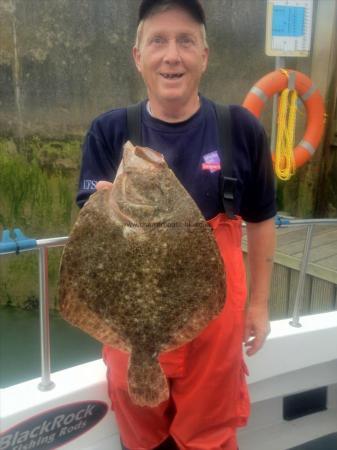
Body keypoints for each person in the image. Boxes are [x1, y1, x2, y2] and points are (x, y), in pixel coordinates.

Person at [76, 0, 276, 449]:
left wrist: (259, 306)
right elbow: (89, 239)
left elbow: (262, 221)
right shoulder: (108, 131)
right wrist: (102, 209)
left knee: (207, 435)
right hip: (132, 321)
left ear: (204, 55)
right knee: (139, 433)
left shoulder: (240, 129)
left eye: (186, 41)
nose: (172, 55)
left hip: (213, 322)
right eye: (158, 40)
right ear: (138, 55)